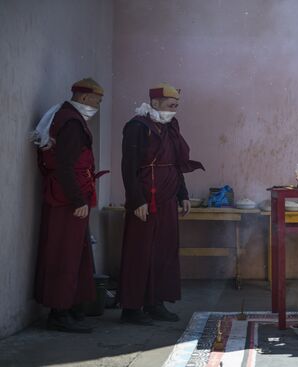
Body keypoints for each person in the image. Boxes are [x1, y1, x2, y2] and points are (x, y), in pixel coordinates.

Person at [119, 83, 204, 325]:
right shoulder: (137, 127)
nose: (174, 110)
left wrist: (183, 194)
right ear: (155, 103)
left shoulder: (170, 127)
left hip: (167, 200)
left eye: (176, 106)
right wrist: (136, 200)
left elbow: (176, 163)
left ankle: (156, 303)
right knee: (140, 253)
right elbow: (129, 166)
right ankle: (132, 308)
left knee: (163, 253)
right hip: (145, 201)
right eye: (170, 106)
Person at [33, 78, 106, 333]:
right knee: (63, 253)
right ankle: (58, 313)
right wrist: (77, 199)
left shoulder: (65, 117)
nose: (98, 105)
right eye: (97, 100)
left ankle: (69, 307)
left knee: (73, 253)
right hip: (67, 199)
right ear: (85, 98)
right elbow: (65, 165)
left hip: (66, 195)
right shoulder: (72, 122)